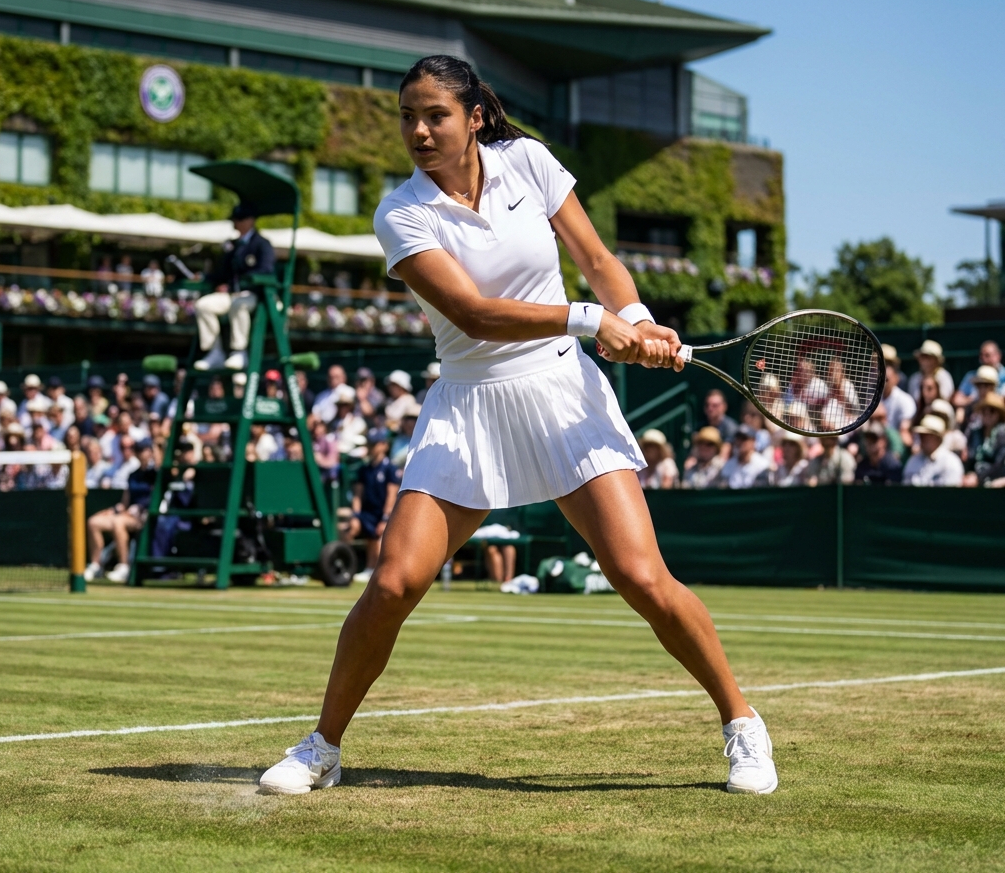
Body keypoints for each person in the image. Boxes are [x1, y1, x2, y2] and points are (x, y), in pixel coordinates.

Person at [258, 56, 780, 798]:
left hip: (563, 393)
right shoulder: (400, 212)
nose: (418, 131)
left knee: (641, 576)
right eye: (407, 117)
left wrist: (634, 318)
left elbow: (596, 257)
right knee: (394, 583)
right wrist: (590, 319)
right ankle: (322, 747)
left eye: (435, 115)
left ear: (474, 117)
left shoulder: (528, 161)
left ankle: (742, 723)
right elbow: (472, 314)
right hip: (468, 405)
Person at [194, 202, 276, 370]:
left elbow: (266, 269)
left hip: (254, 295)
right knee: (203, 305)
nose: (236, 223)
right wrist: (204, 277)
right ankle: (215, 351)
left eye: (240, 219)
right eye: (235, 219)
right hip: (231, 294)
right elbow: (223, 273)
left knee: (239, 305)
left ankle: (239, 351)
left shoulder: (262, 243)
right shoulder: (233, 245)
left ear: (251, 220)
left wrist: (246, 280)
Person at [84, 439, 157, 583]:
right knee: (93, 522)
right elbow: (125, 502)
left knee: (118, 522)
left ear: (150, 452)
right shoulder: (132, 475)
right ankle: (96, 565)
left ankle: (124, 566)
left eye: (144, 450)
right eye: (139, 450)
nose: (141, 453)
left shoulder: (155, 474)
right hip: (127, 514)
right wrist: (112, 510)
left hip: (143, 516)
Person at [345, 426, 401, 582]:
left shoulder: (390, 469)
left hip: (382, 513)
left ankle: (375, 570)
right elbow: (357, 495)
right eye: (369, 444)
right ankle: (346, 566)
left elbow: (391, 495)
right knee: (347, 531)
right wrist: (355, 515)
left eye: (375, 444)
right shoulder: (364, 469)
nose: (371, 447)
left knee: (377, 539)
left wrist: (385, 518)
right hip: (366, 513)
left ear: (384, 445)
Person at [902, 415, 964, 486]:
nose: (922, 438)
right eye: (921, 435)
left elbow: (951, 491)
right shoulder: (913, 460)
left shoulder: (950, 462)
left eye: (926, 435)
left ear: (937, 437)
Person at [964, 392, 1005, 487]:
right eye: (984, 411)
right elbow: (970, 459)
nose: (987, 414)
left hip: (997, 479)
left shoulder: (1003, 433)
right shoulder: (974, 432)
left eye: (992, 411)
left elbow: (999, 464)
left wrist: (979, 477)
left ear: (999, 414)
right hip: (976, 479)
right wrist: (969, 474)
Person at [954, 340, 1005, 407]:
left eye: (987, 355)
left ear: (998, 356)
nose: (983, 359)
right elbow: (957, 400)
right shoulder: (971, 375)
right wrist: (973, 400)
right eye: (981, 355)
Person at [907, 340, 954, 404]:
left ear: (936, 360)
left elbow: (945, 400)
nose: (924, 361)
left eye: (928, 357)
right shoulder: (914, 378)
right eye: (922, 357)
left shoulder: (944, 376)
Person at [700, 389, 737, 461]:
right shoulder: (701, 426)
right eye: (707, 405)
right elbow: (695, 452)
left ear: (724, 407)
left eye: (715, 405)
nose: (710, 408)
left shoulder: (730, 427)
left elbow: (724, 456)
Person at [390, 401, 421, 471]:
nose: (410, 422)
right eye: (408, 419)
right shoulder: (398, 439)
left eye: (414, 419)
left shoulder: (423, 441)